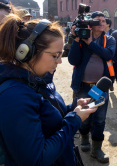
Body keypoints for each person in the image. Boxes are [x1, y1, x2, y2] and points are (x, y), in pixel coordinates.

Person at [0, 15, 96, 165]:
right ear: (26, 52)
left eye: (61, 54)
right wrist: (74, 120)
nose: (59, 61)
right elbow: (37, 160)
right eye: (55, 55)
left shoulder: (39, 79)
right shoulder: (14, 96)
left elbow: (47, 117)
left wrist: (72, 107)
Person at [68, 11, 116, 163]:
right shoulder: (81, 38)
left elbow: (108, 55)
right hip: (83, 86)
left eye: (103, 21)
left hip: (99, 88)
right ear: (91, 23)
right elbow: (73, 60)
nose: (101, 23)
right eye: (98, 21)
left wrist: (90, 43)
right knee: (84, 117)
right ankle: (84, 138)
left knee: (100, 119)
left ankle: (97, 149)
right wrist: (76, 40)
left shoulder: (109, 39)